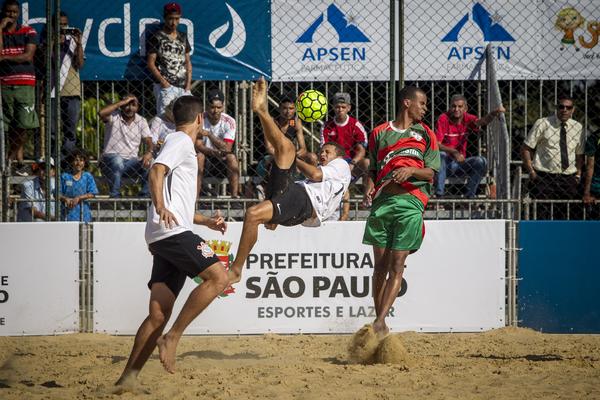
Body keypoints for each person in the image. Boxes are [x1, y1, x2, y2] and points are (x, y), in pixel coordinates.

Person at [115, 96, 228, 385]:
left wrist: (206, 222)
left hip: (165, 233)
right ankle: (173, 338)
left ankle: (127, 379)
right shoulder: (180, 141)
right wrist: (160, 206)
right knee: (219, 278)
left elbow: (179, 203)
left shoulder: (177, 142)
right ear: (200, 119)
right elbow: (155, 170)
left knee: (158, 313)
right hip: (171, 231)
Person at [228, 77, 351, 284]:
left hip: (307, 203)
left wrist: (295, 160)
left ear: (337, 155)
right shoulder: (327, 169)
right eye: (321, 151)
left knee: (253, 213)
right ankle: (260, 111)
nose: (322, 155)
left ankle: (236, 270)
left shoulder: (342, 165)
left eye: (326, 152)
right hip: (295, 192)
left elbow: (315, 175)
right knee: (285, 150)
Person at [362, 86, 440, 338]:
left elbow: (431, 173)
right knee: (379, 268)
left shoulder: (426, 134)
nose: (425, 109)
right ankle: (380, 325)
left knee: (397, 266)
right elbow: (372, 171)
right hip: (383, 203)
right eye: (422, 103)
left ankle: (380, 320)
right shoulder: (378, 133)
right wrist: (369, 188)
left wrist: (411, 171)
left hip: (411, 203)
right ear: (407, 103)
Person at [521, 96, 585, 219]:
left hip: (568, 178)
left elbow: (579, 154)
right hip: (544, 177)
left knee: (567, 214)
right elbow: (526, 148)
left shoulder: (578, 127)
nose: (564, 110)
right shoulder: (543, 123)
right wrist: (532, 172)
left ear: (573, 110)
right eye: (561, 107)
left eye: (568, 107)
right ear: (556, 108)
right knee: (541, 214)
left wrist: (578, 174)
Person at [434, 94, 504, 198]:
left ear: (465, 108)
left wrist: (493, 113)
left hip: (461, 164)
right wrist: (454, 151)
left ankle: (469, 197)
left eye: (460, 106)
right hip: (445, 166)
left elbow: (482, 122)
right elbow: (436, 144)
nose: (456, 109)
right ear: (450, 107)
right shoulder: (443, 118)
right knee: (441, 155)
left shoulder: (467, 118)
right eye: (453, 106)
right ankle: (439, 196)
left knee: (481, 161)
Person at [0, 0, 39, 176]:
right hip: (4, 84)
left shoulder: (28, 31)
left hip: (25, 83)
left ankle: (10, 159)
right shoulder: (0, 32)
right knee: (5, 125)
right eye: (8, 12)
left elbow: (28, 56)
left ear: (18, 14)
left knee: (23, 124)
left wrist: (5, 58)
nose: (11, 15)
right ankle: (9, 162)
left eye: (14, 12)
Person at [39, 11, 84, 155]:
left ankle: (66, 161)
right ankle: (52, 162)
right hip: (52, 90)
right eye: (59, 25)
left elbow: (80, 63)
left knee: (70, 131)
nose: (63, 28)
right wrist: (53, 42)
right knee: (51, 131)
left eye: (65, 25)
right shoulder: (46, 42)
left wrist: (79, 43)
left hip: (72, 90)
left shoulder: (73, 42)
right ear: (53, 26)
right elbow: (45, 62)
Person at [99, 95, 153, 198]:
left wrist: (149, 153)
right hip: (109, 161)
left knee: (151, 162)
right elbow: (101, 113)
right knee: (117, 161)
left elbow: (149, 141)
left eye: (133, 105)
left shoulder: (141, 121)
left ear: (138, 107)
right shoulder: (114, 116)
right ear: (122, 106)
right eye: (127, 105)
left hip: (130, 163)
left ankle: (144, 198)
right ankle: (115, 197)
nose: (130, 108)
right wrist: (121, 102)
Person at [146, 2, 192, 116]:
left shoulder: (183, 36)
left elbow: (188, 62)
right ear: (165, 18)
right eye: (170, 19)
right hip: (165, 86)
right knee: (166, 120)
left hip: (182, 86)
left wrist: (188, 85)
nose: (174, 23)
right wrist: (164, 83)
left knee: (186, 118)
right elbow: (151, 63)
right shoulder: (157, 37)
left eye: (177, 19)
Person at [195, 89, 240, 198]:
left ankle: (235, 197)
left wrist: (210, 134)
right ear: (206, 106)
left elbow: (227, 147)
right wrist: (214, 151)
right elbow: (198, 145)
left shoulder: (229, 121)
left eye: (219, 107)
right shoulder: (199, 119)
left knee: (232, 158)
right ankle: (195, 199)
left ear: (223, 107)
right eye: (212, 107)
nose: (215, 110)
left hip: (222, 160)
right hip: (205, 158)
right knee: (199, 156)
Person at [320, 92, 369, 185]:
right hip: (333, 163)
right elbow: (324, 150)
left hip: (352, 163)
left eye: (343, 107)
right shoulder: (326, 126)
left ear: (349, 108)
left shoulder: (356, 125)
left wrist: (352, 164)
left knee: (366, 163)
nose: (340, 110)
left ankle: (367, 198)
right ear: (333, 107)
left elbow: (361, 151)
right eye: (337, 107)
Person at [59, 148, 98, 222]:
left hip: (84, 215)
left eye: (81, 160)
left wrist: (79, 198)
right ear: (72, 161)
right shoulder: (65, 176)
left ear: (85, 162)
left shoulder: (87, 176)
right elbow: (57, 193)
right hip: (67, 215)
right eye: (76, 160)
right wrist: (65, 199)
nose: (79, 163)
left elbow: (93, 193)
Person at [17, 157, 55, 221]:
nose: (45, 170)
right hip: (28, 227)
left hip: (49, 225)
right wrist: (54, 218)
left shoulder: (56, 185)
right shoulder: (28, 185)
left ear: (53, 172)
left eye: (48, 168)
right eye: (43, 168)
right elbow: (33, 212)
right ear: (38, 170)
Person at [583, 125, 600, 219]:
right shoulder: (594, 138)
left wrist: (587, 193)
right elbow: (590, 166)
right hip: (596, 187)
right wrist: (587, 193)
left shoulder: (594, 137)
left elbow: (590, 167)